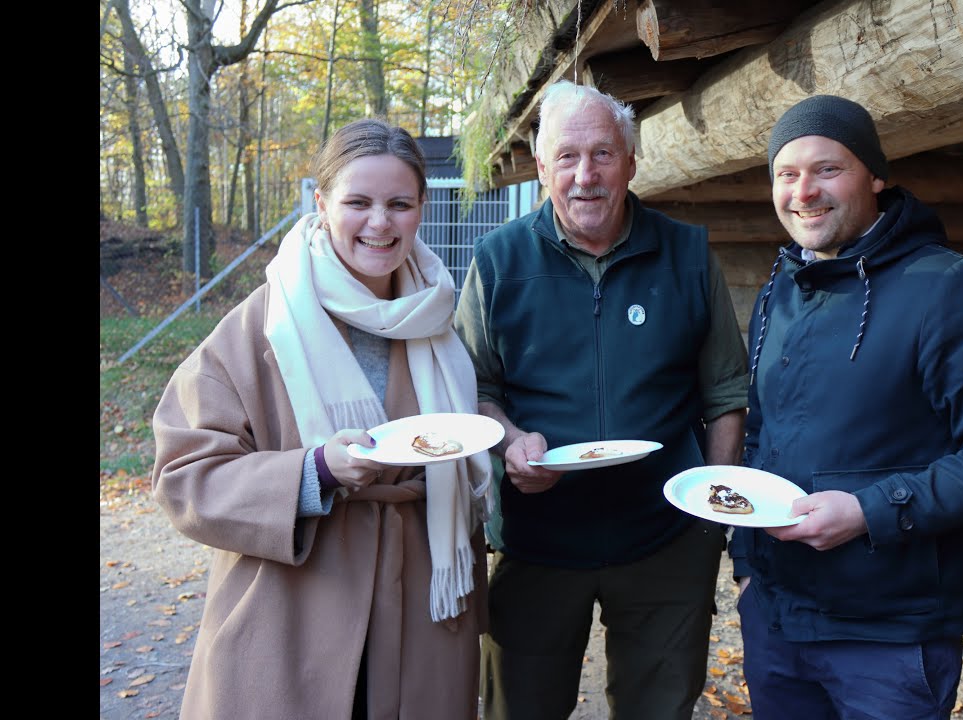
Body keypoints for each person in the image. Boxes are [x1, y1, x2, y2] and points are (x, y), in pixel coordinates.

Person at [150, 118, 493, 719]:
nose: (380, 223)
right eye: (358, 202)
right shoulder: (262, 325)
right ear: (322, 202)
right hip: (292, 615)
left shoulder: (437, 319)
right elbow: (184, 476)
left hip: (419, 614)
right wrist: (315, 472)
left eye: (399, 204)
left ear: (421, 208)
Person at [729, 95, 963, 719]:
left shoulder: (948, 288)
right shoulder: (779, 289)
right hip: (776, 618)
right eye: (786, 174)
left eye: (828, 169)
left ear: (875, 175)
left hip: (890, 635)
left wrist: (869, 511)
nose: (804, 192)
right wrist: (747, 567)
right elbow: (761, 435)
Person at [453, 79, 750, 720]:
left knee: (658, 709)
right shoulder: (498, 260)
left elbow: (726, 392)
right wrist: (509, 440)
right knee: (520, 710)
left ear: (632, 162)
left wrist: (707, 522)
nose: (585, 176)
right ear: (541, 167)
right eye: (567, 156)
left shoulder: (688, 254)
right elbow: (474, 388)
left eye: (603, 155)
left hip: (664, 540)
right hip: (535, 540)